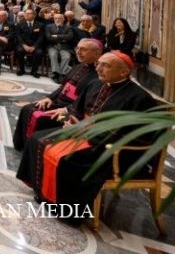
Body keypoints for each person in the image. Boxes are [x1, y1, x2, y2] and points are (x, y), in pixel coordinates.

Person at [16, 51, 158, 220]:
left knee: (67, 160)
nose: (98, 69)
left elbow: (133, 136)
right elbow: (76, 109)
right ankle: (43, 194)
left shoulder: (140, 98)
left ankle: (66, 210)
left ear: (123, 72)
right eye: (98, 64)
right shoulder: (95, 84)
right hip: (83, 135)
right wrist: (70, 121)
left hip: (110, 150)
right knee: (37, 139)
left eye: (105, 65)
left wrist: (84, 132)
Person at [12, 39, 102, 150]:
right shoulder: (77, 67)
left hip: (70, 114)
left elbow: (84, 104)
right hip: (56, 103)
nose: (78, 52)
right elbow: (63, 87)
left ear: (96, 53)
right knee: (27, 109)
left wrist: (66, 110)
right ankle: (21, 145)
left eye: (83, 49)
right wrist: (49, 98)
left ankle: (30, 148)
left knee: (40, 118)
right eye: (77, 48)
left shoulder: (99, 76)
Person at [14, 9, 45, 77]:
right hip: (23, 44)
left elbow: (41, 37)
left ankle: (34, 71)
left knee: (39, 52)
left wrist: (34, 46)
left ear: (34, 15)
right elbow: (18, 36)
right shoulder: (20, 24)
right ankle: (22, 70)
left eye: (28, 13)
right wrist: (24, 45)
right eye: (25, 13)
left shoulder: (40, 25)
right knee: (19, 51)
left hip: (35, 45)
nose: (26, 15)